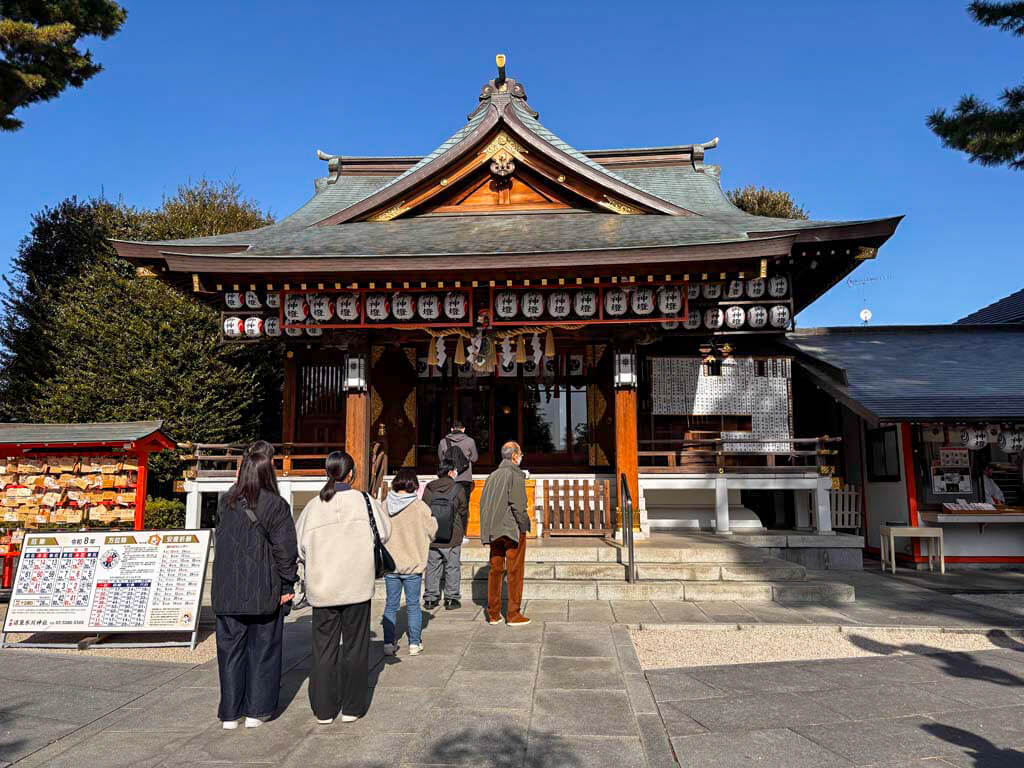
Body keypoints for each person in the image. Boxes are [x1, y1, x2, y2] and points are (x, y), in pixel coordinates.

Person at [295, 451, 391, 725]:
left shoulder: (313, 506)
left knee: (323, 649)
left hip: (323, 587)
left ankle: (324, 709)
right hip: (356, 585)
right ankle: (352, 707)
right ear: (351, 474)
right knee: (356, 647)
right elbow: (384, 533)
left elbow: (299, 545)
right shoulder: (365, 502)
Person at [211, 440, 297, 730]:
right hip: (263, 588)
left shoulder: (226, 501)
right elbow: (285, 550)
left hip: (227, 589)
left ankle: (230, 713)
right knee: (263, 649)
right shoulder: (276, 505)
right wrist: (287, 584)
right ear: (266, 470)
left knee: (230, 652)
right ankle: (256, 710)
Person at [381, 467, 437, 655]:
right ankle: (414, 643)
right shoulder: (420, 507)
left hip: (391, 564)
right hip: (413, 563)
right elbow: (433, 531)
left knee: (391, 605)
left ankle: (388, 643)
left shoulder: (384, 505)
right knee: (413, 605)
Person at [478, 441, 531, 626]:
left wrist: (485, 530)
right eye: (521, 454)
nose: (521, 457)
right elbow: (518, 505)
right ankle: (513, 614)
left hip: (494, 529)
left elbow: (484, 504)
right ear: (515, 455)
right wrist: (524, 525)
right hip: (510, 528)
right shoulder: (514, 474)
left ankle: (493, 614)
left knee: (495, 569)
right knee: (515, 571)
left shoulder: (492, 475)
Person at [422, 460, 469, 610]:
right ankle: (451, 598)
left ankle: (430, 598)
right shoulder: (458, 488)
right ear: (450, 472)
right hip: (453, 534)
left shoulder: (430, 487)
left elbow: (424, 508)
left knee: (432, 566)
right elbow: (463, 510)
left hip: (434, 534)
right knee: (452, 566)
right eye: (455, 470)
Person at [438, 420, 478, 507]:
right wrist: (466, 458)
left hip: (449, 478)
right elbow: (474, 458)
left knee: (449, 506)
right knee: (463, 507)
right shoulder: (470, 441)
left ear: (452, 429)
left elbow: (441, 459)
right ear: (463, 429)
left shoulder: (443, 442)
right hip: (465, 478)